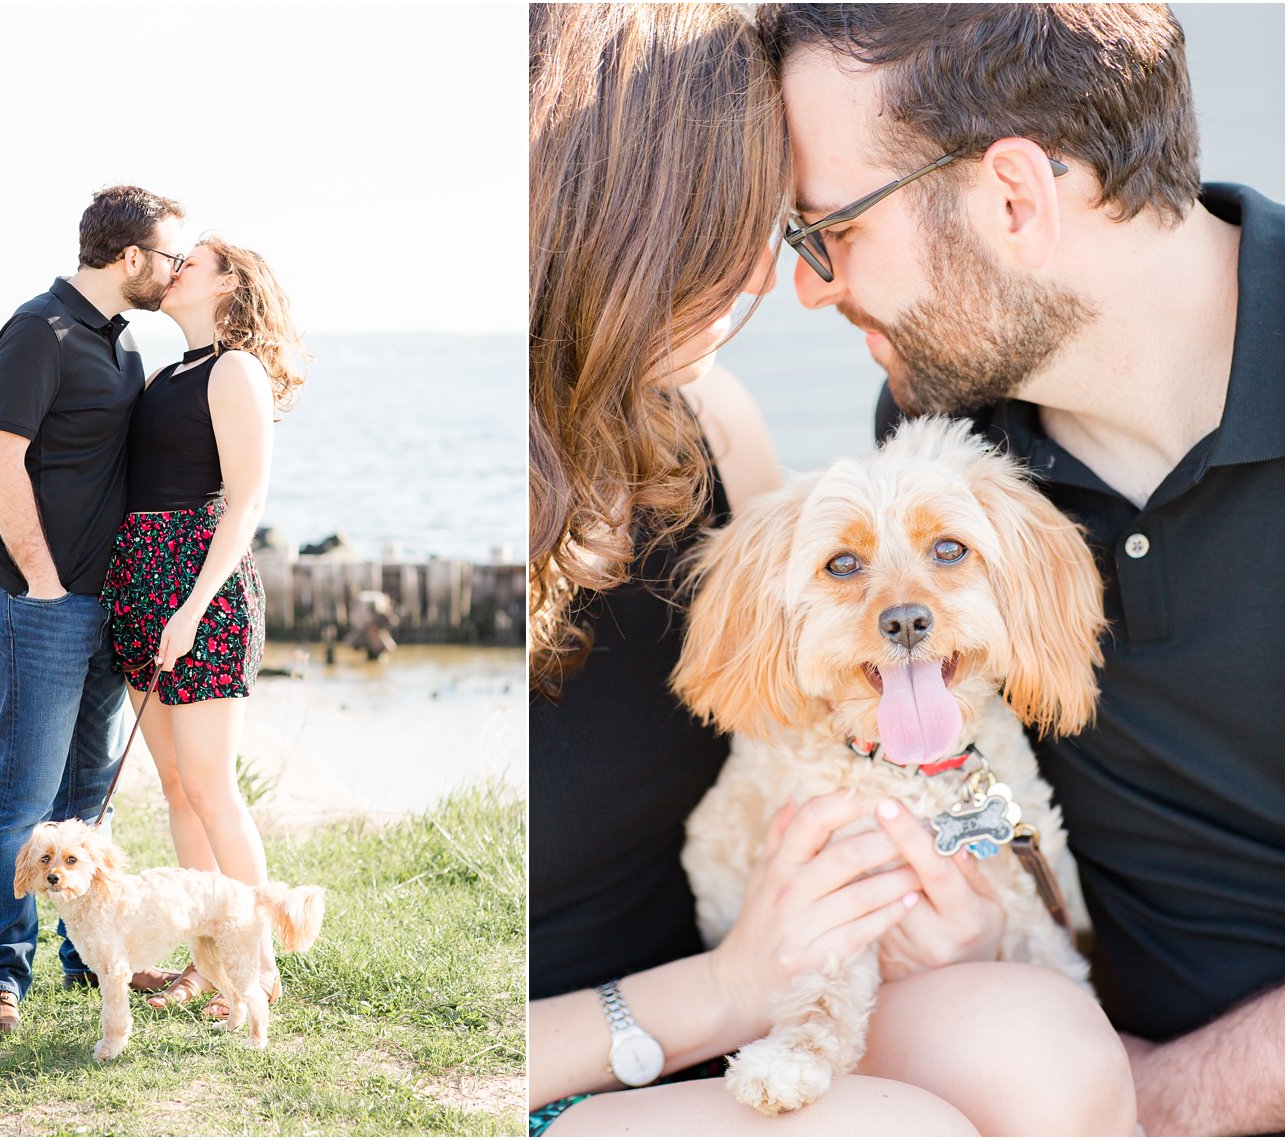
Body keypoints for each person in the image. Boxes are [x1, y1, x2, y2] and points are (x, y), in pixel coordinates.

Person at [527, 5, 1133, 1136]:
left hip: (750, 1008)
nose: (777, 272)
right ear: (611, 214)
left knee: (1044, 1045)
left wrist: (959, 926)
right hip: (544, 1059)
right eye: (728, 218)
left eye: (781, 220)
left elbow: (830, 649)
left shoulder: (705, 419)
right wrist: (718, 993)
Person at [759, 3, 1284, 1134]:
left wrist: (1148, 1101)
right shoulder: (942, 439)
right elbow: (970, 773)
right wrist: (982, 939)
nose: (809, 284)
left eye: (827, 229)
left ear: (1012, 198)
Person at [0, 185, 186, 1041]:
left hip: (105, 603)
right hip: (40, 601)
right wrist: (45, 580)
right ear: (130, 258)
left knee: (86, 794)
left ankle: (85, 952)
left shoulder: (120, 343)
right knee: (21, 798)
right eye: (169, 257)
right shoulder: (40, 330)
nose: (173, 273)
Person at [98, 236, 307, 1019]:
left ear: (230, 285)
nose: (175, 265)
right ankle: (206, 963)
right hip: (143, 580)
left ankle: (258, 972)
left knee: (214, 789)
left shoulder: (235, 369)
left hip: (202, 592)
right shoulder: (164, 375)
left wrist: (189, 610)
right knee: (178, 790)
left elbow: (246, 502)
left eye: (194, 260)